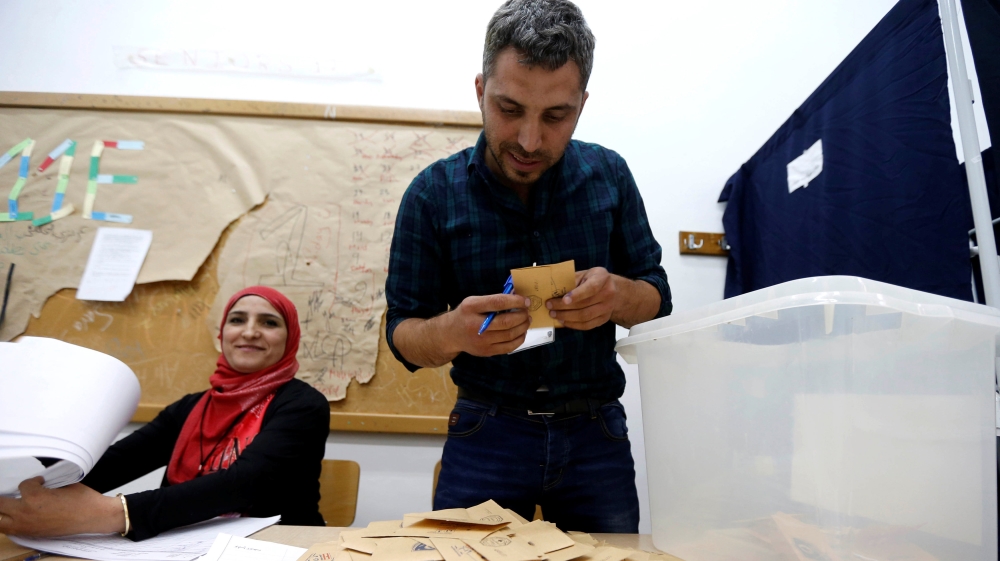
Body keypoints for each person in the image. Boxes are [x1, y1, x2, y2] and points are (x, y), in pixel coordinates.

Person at [385, 0, 671, 533]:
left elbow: (658, 298)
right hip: (485, 431)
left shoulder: (610, 176)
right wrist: (452, 331)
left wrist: (620, 297)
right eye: (509, 109)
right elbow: (402, 333)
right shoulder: (431, 194)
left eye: (555, 116)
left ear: (582, 105)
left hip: (595, 433)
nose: (529, 140)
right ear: (479, 90)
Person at [0, 286, 330, 540]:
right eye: (237, 319)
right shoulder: (192, 406)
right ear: (222, 334)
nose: (249, 331)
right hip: (186, 542)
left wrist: (118, 513)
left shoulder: (303, 405)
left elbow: (245, 484)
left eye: (269, 323)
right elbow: (115, 462)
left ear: (290, 340)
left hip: (281, 543)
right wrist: (27, 480)